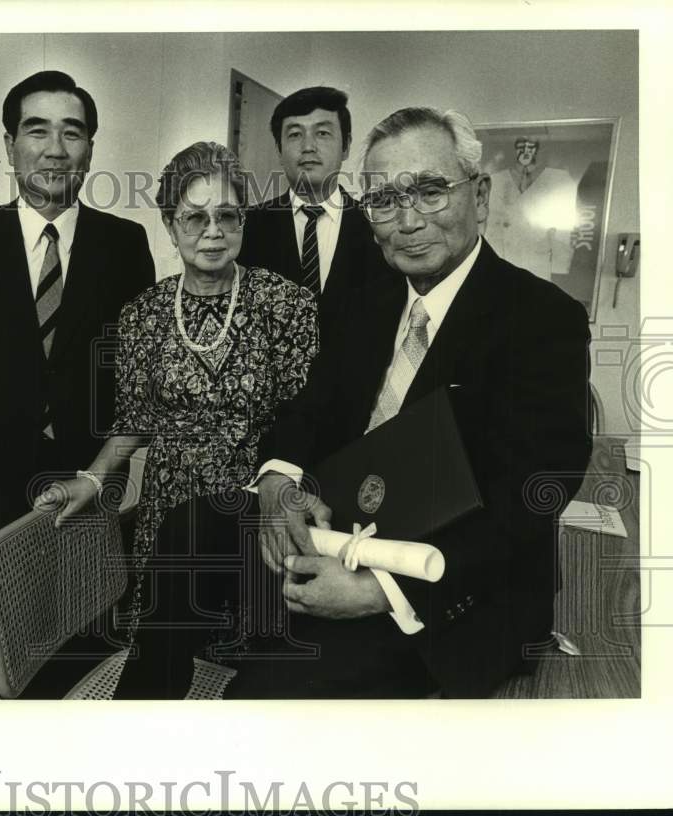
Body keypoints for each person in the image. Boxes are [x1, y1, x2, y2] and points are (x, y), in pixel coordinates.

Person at [244, 107, 591, 699]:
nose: (406, 222)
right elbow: (309, 407)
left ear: (479, 196)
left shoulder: (543, 319)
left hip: (452, 585)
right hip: (339, 533)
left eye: (430, 191)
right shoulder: (361, 301)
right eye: (383, 200)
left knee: (271, 690)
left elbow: (534, 494)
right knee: (183, 539)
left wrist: (384, 587)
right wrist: (278, 484)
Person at [37, 142, 319, 698]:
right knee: (169, 661)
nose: (211, 231)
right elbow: (134, 418)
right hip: (167, 519)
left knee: (252, 677)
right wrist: (92, 479)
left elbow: (308, 419)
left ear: (243, 221)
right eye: (194, 216)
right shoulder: (142, 314)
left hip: (252, 514)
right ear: (170, 224)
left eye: (227, 215)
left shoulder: (286, 304)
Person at [0, 71, 154, 598]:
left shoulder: (124, 242)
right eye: (37, 131)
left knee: (84, 598)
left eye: (72, 132)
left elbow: (134, 354)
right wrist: (17, 397)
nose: (55, 150)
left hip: (91, 455)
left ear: (90, 149)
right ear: (10, 146)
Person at [238, 86, 392, 338]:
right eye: (295, 134)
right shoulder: (248, 227)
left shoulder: (376, 224)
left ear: (346, 146)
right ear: (278, 150)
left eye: (322, 133)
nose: (308, 146)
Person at [484, 136, 578, 280]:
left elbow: (564, 230)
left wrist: (560, 266)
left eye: (532, 148)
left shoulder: (559, 179)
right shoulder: (495, 180)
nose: (526, 152)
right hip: (501, 259)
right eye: (521, 147)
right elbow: (486, 223)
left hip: (536, 260)